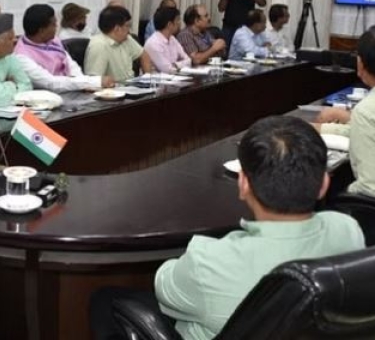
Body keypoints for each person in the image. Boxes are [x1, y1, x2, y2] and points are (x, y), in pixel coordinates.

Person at [90, 115, 364, 340]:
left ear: (243, 184)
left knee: (105, 299)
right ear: (324, 184)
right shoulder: (349, 230)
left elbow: (164, 284)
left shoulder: (208, 261)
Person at [314, 29, 375, 197]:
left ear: (360, 63)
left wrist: (340, 197)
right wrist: (321, 129)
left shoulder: (366, 110)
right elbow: (368, 130)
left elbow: (369, 188)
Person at [14, 4, 113, 92]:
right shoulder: (21, 56)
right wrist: (91, 82)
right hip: (47, 98)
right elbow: (51, 83)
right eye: (53, 24)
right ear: (42, 30)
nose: (57, 26)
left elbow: (71, 65)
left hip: (70, 91)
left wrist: (85, 84)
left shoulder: (53, 41)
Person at [84, 6, 152, 82]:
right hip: (114, 88)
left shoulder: (127, 39)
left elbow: (144, 55)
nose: (129, 30)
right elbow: (94, 81)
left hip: (131, 85)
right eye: (127, 26)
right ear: (117, 29)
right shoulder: (99, 45)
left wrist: (148, 79)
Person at [145, 7, 191, 73]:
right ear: (169, 24)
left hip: (175, 76)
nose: (180, 23)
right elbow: (167, 70)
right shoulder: (153, 43)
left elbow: (189, 60)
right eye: (178, 20)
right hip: (158, 78)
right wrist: (179, 65)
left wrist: (175, 65)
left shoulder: (172, 38)